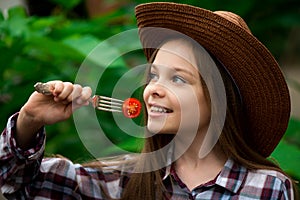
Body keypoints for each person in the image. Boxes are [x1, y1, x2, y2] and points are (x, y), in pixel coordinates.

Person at [0, 2, 298, 199]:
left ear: (221, 99)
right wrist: (29, 120)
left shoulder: (266, 188)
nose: (152, 89)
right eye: (153, 76)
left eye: (178, 78)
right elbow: (19, 184)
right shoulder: (124, 182)